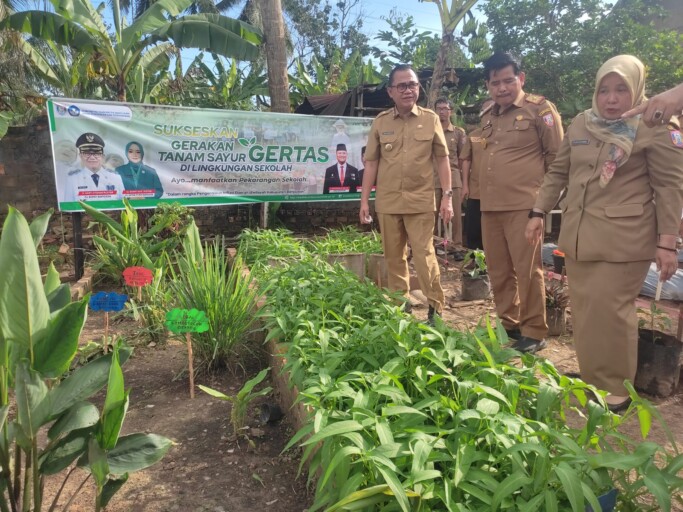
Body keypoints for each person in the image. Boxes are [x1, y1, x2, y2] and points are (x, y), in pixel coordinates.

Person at [525, 55, 683, 412]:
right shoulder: (583, 124)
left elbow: (671, 189)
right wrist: (538, 211)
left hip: (626, 239)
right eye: (604, 90)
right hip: (580, 236)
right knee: (586, 309)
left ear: (637, 90)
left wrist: (667, 243)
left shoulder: (655, 128)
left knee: (613, 311)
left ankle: (617, 389)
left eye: (621, 90)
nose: (611, 99)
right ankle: (594, 375)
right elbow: (558, 173)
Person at [478, 52, 564, 353]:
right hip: (490, 206)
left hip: (524, 206)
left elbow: (558, 160)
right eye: (494, 83)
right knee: (498, 269)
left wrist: (541, 208)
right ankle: (510, 324)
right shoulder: (487, 114)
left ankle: (535, 330)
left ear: (521, 79)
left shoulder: (540, 110)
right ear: (488, 86)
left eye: (508, 81)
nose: (501, 88)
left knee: (528, 270)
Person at [359, 63, 453, 324]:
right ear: (391, 91)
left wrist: (447, 196)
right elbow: (372, 163)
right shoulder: (381, 122)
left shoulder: (430, 119)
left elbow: (442, 159)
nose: (408, 90)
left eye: (412, 84)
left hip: (421, 201)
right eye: (401, 86)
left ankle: (435, 307)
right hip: (388, 202)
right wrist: (364, 200)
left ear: (418, 88)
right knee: (393, 257)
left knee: (425, 255)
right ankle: (400, 304)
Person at [433, 98, 468, 259]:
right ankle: (431, 245)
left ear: (451, 111)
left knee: (455, 215)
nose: (442, 111)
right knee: (430, 214)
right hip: (433, 178)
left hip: (453, 178)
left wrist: (465, 182)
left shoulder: (458, 132)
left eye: (445, 108)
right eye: (439, 108)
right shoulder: (430, 131)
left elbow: (463, 158)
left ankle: (457, 247)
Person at [461, 98, 494, 250]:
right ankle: (476, 259)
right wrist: (465, 185)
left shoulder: (505, 134)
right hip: (476, 190)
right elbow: (466, 160)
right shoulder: (473, 135)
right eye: (486, 110)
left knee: (494, 229)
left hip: (498, 192)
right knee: (474, 226)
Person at [63, 133, 125, 203]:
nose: (92, 157)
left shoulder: (116, 178)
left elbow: (123, 205)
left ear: (103, 156)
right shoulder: (72, 179)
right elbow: (69, 207)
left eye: (96, 153)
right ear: (81, 156)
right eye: (87, 153)